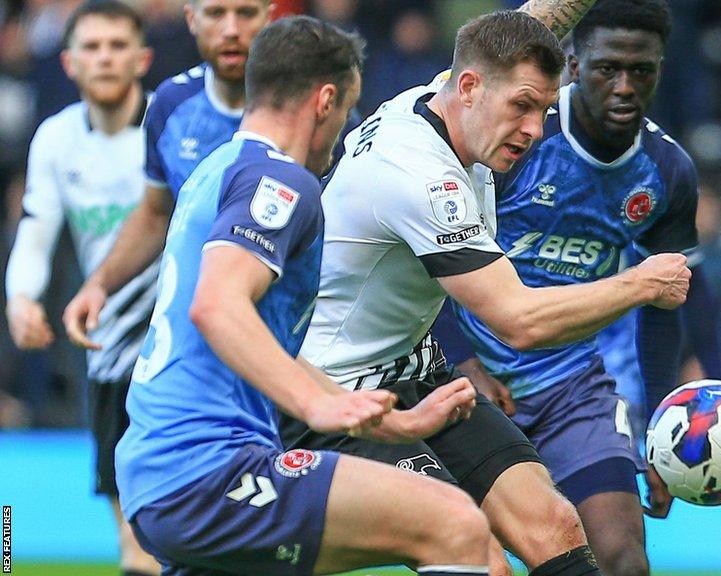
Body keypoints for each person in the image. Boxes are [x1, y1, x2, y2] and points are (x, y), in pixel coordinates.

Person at [293, 4, 690, 576]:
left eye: (544, 110)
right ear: (472, 88)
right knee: (476, 554)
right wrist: (639, 284)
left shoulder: (448, 98)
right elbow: (518, 321)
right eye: (522, 108)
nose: (534, 130)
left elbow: (518, 31)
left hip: (416, 374)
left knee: (554, 526)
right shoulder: (421, 176)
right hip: (336, 396)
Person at [115, 16, 488, 576]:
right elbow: (216, 305)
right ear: (325, 99)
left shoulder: (216, 168)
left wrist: (396, 427)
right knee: (456, 525)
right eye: (344, 112)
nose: (341, 130)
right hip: (204, 471)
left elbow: (266, 343)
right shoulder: (280, 181)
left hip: (164, 473)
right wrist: (319, 407)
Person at [430, 3, 721, 575]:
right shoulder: (521, 137)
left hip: (571, 388)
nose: (625, 87)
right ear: (571, 65)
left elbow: (664, 306)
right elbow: (428, 255)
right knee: (474, 563)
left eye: (642, 71)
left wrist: (660, 433)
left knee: (623, 561)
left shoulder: (667, 174)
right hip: (463, 383)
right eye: (607, 68)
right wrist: (463, 363)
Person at [4, 3, 161, 574]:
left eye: (118, 45)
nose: (105, 57)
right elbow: (35, 228)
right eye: (91, 47)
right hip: (109, 350)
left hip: (187, 346)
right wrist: (21, 298)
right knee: (132, 539)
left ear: (142, 58)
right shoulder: (56, 138)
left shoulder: (171, 131)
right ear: (69, 63)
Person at [62, 0, 270, 347]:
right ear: (191, 18)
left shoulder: (305, 100)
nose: (231, 29)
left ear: (270, 17)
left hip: (288, 331)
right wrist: (99, 283)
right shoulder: (171, 105)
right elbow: (155, 214)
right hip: (195, 334)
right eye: (216, 13)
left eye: (246, 13)